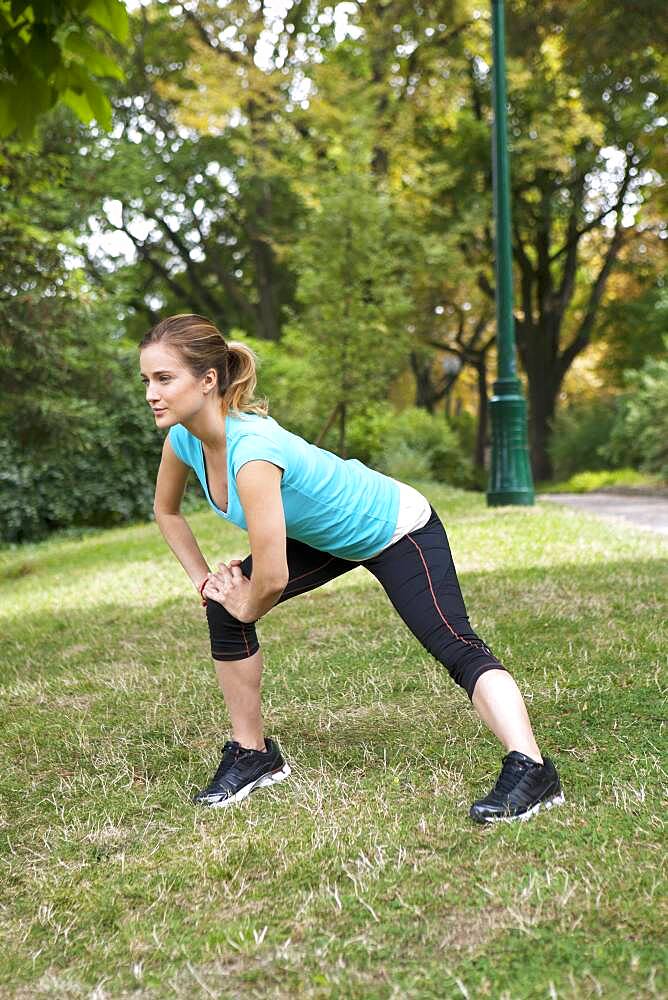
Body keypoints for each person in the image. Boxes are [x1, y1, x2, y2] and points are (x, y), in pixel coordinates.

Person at [139, 314, 564, 823]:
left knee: (455, 645)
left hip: (394, 527)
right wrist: (206, 584)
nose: (151, 393)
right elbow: (167, 511)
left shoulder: (251, 454)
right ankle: (252, 754)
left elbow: (269, 581)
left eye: (164, 379)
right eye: (147, 380)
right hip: (327, 538)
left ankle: (533, 769)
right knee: (226, 608)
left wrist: (241, 597)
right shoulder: (184, 439)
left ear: (208, 380)